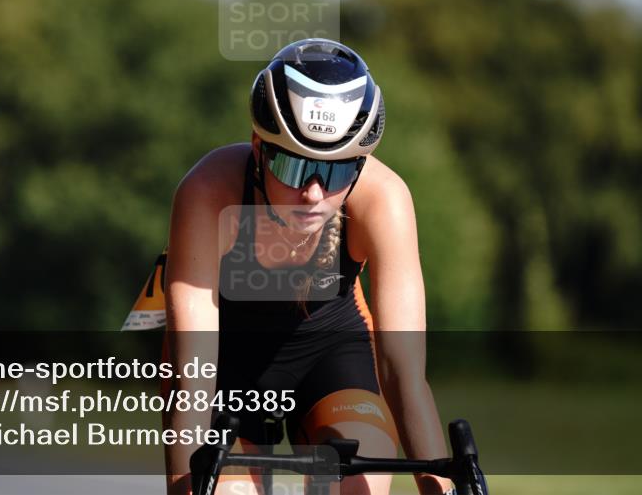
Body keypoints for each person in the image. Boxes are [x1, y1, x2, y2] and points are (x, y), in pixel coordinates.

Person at [161, 39, 455, 495]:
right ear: (259, 148)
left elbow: (402, 369)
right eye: (295, 168)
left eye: (337, 171)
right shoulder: (208, 191)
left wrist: (442, 485)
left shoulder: (385, 199)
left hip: (330, 352)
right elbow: (192, 375)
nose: (315, 194)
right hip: (223, 364)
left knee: (363, 483)